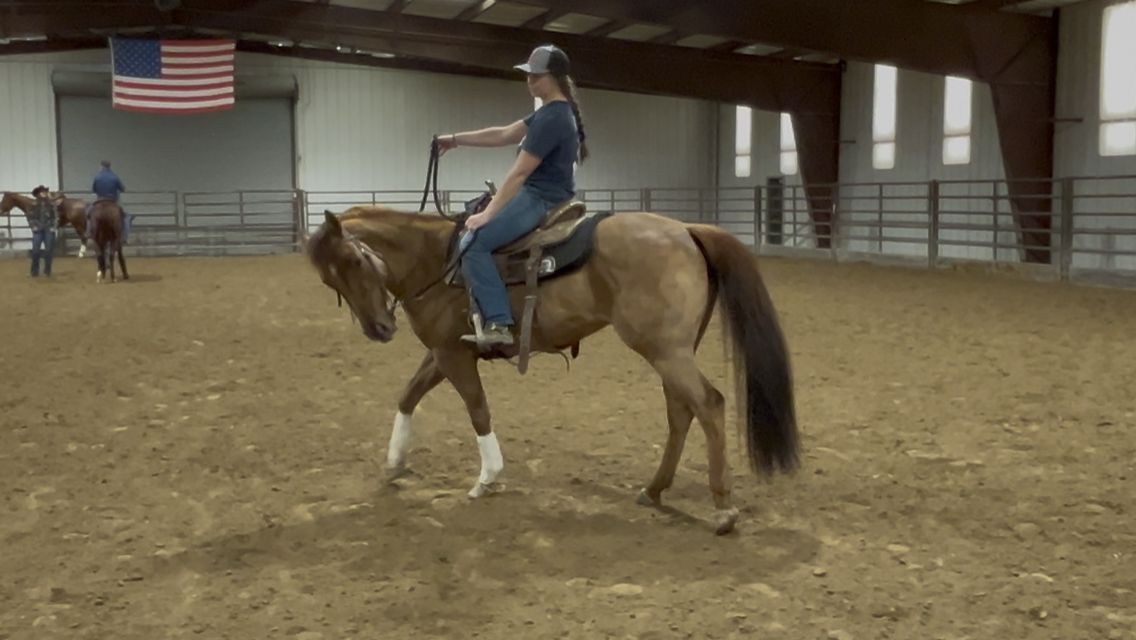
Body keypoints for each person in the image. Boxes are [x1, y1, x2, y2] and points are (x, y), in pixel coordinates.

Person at [438, 44, 590, 346]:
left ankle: (499, 323)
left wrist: (487, 214)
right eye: (528, 75)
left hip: (539, 198)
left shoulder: (552, 118)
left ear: (555, 77)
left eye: (537, 76)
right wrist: (456, 140)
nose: (530, 81)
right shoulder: (552, 112)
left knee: (473, 244)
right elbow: (504, 134)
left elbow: (519, 173)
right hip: (544, 194)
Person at [89, 160, 131, 244]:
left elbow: (94, 190)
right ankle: (124, 237)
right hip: (112, 201)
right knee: (126, 217)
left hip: (100, 200)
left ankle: (89, 232)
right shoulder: (115, 177)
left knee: (88, 213)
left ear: (101, 166)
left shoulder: (97, 177)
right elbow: (123, 189)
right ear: (109, 166)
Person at [28, 185, 58, 278]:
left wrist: (54, 227)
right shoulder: (33, 204)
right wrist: (33, 226)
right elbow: (30, 217)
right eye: (42, 192)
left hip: (48, 229)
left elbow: (56, 216)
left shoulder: (51, 204)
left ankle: (47, 271)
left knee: (48, 250)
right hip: (38, 229)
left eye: (45, 192)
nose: (44, 193)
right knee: (35, 251)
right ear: (38, 194)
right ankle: (34, 271)